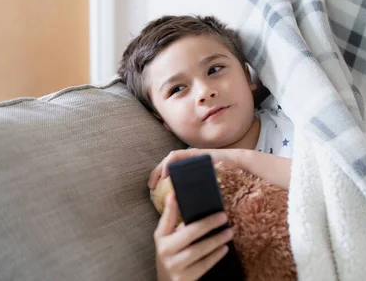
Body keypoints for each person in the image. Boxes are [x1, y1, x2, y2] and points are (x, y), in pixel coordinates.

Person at [118, 15, 294, 281]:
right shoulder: (186, 182)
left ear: (247, 76)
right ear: (162, 120)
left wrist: (240, 159)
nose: (204, 91)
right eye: (177, 89)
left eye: (214, 70)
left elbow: (331, 178)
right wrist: (168, 275)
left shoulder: (292, 119)